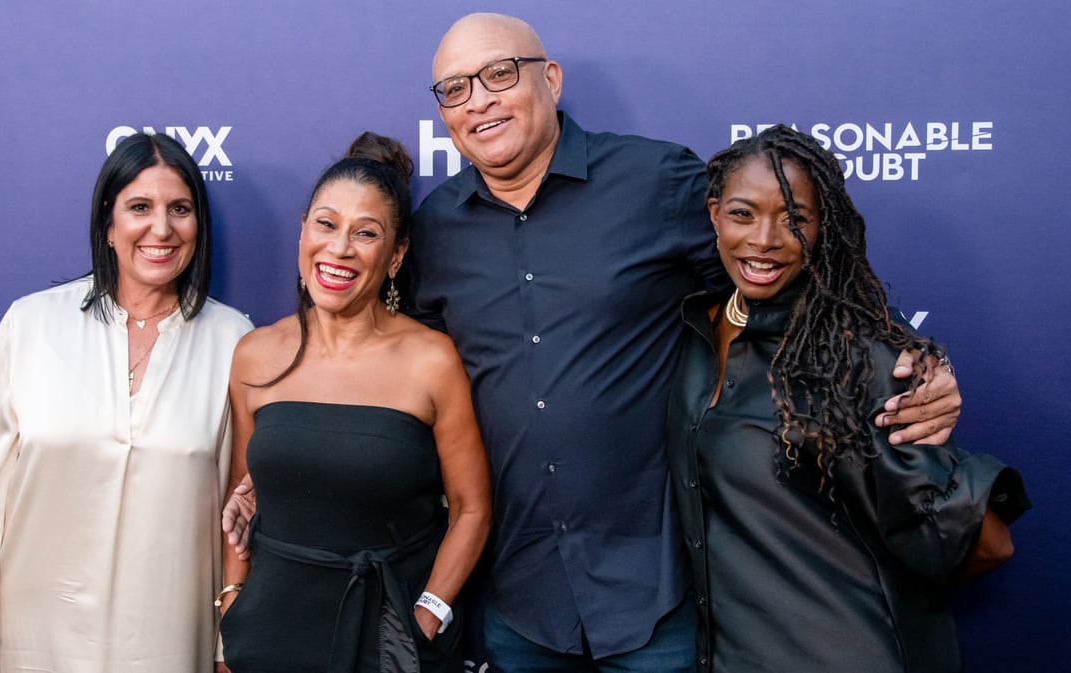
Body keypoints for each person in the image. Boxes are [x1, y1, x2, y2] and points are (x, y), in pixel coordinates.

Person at [225, 13, 963, 672]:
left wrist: (905, 361)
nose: (478, 99)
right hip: (516, 599)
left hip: (652, 594)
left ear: (550, 78)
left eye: (497, 74)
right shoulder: (437, 229)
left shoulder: (655, 180)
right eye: (454, 89)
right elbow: (376, 372)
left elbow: (783, 274)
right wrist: (277, 470)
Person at [666, 124, 1030, 672]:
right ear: (714, 213)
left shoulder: (860, 358)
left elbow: (988, 544)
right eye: (743, 213)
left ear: (824, 229)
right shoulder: (697, 331)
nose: (764, 239)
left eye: (795, 220)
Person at [0, 132, 254, 673]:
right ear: (107, 223)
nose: (161, 228)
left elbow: (238, 511)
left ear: (198, 225)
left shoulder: (235, 341)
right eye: (139, 207)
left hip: (168, 641)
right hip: (32, 639)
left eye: (180, 209)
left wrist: (227, 644)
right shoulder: (31, 324)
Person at [217, 132, 492, 673]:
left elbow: (472, 509)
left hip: (391, 641)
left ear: (396, 255)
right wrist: (230, 602)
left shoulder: (430, 360)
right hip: (270, 637)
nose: (339, 248)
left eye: (365, 233)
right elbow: (239, 497)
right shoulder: (254, 355)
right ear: (302, 231)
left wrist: (427, 617)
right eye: (326, 224)